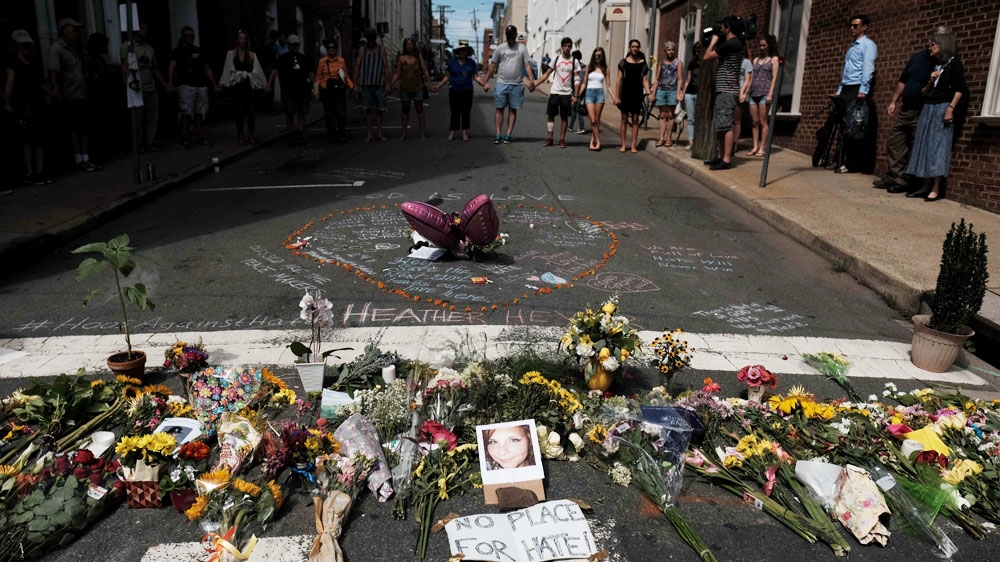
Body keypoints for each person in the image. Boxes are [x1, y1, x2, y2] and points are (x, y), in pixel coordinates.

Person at [874, 25, 948, 193]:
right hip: (906, 109)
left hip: (922, 110)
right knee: (895, 142)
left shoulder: (940, 62)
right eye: (933, 39)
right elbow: (903, 80)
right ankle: (895, 176)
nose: (932, 44)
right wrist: (894, 101)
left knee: (916, 146)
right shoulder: (917, 57)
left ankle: (908, 181)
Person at [904, 32, 966, 203]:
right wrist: (930, 81)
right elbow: (924, 92)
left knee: (938, 147)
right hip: (928, 107)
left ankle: (935, 188)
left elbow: (960, 89)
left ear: (942, 44)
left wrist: (950, 109)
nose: (929, 48)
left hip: (942, 107)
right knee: (924, 144)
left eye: (932, 44)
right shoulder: (937, 66)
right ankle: (924, 185)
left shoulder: (954, 64)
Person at [48, 18, 97, 171]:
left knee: (84, 126)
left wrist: (87, 64)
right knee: (75, 127)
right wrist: (56, 91)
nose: (76, 32)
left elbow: (82, 74)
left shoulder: (75, 50)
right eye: (73, 29)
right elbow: (53, 72)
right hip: (69, 94)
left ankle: (86, 157)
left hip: (81, 93)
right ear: (64, 30)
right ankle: (78, 159)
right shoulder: (56, 49)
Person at [832, 14, 877, 174]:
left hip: (856, 88)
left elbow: (868, 68)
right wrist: (839, 90)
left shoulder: (868, 45)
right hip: (846, 88)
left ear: (864, 27)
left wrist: (863, 90)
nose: (852, 28)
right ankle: (839, 160)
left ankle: (850, 163)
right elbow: (846, 70)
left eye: (855, 26)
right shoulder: (852, 46)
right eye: (850, 25)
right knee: (843, 126)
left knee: (854, 127)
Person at [5, 30, 52, 185]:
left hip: (36, 102)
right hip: (23, 104)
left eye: (27, 45)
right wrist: (7, 102)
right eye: (22, 45)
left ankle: (40, 170)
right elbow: (10, 83)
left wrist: (50, 97)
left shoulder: (32, 61)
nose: (26, 47)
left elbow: (40, 83)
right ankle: (30, 172)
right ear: (16, 46)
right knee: (28, 139)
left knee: (39, 138)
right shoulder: (13, 63)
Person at [120, 22, 171, 152]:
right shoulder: (128, 46)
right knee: (138, 117)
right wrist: (125, 82)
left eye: (146, 30)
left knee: (152, 116)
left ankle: (150, 142)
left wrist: (165, 84)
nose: (144, 32)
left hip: (150, 85)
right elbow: (124, 66)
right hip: (136, 86)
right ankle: (139, 144)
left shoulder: (149, 48)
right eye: (142, 29)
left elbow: (155, 69)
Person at [702, 17, 744, 170]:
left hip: (727, 90)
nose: (721, 30)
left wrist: (713, 40)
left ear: (728, 27)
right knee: (721, 125)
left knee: (726, 126)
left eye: (723, 27)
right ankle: (720, 156)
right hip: (723, 89)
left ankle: (726, 159)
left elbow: (707, 56)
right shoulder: (733, 43)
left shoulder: (732, 43)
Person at [482, 25, 535, 144]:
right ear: (506, 35)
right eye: (508, 35)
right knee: (499, 109)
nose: (510, 37)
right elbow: (492, 65)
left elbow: (527, 65)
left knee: (513, 110)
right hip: (502, 83)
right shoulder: (500, 48)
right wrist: (485, 81)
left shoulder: (522, 48)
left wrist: (531, 81)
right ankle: (497, 134)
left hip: (516, 84)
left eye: (512, 35)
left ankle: (508, 134)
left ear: (515, 35)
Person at [169, 26, 218, 148]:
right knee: (186, 112)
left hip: (200, 84)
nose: (190, 38)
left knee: (199, 113)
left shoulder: (199, 51)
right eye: (187, 36)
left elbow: (207, 69)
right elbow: (172, 67)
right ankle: (185, 137)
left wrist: (214, 84)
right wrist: (170, 83)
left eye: (192, 36)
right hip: (186, 85)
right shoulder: (178, 51)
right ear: (183, 37)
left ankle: (201, 136)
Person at [431, 44, 489, 141]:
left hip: (467, 90)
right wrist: (438, 86)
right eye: (461, 50)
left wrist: (484, 84)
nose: (463, 52)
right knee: (455, 112)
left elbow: (476, 77)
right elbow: (447, 76)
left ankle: (464, 133)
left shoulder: (471, 63)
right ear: (458, 52)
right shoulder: (452, 62)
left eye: (465, 50)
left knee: (466, 111)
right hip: (454, 90)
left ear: (467, 52)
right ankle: (452, 132)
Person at [219, 30, 265, 145]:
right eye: (240, 38)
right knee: (238, 112)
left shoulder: (251, 55)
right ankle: (240, 134)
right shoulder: (231, 54)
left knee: (250, 111)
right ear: (236, 40)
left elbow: (257, 71)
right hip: (237, 87)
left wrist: (263, 85)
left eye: (244, 38)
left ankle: (251, 134)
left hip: (248, 86)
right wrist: (223, 83)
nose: (243, 40)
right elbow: (227, 70)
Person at [265, 34, 313, 143]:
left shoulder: (303, 58)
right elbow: (274, 71)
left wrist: (314, 87)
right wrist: (268, 84)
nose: (295, 47)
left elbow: (310, 73)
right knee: (290, 113)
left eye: (296, 45)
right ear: (289, 45)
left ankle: (300, 134)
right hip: (288, 90)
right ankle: (291, 134)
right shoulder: (282, 58)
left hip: (302, 89)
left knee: (301, 112)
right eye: (293, 45)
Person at [535, 37, 581, 148]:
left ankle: (562, 139)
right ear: (561, 47)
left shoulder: (574, 61)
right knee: (551, 115)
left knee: (564, 117)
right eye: (565, 46)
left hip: (567, 93)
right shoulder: (556, 59)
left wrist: (576, 95)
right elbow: (546, 74)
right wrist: (535, 84)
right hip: (555, 92)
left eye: (569, 46)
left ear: (571, 47)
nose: (567, 48)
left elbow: (577, 79)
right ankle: (550, 138)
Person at [354, 28, 392, 143]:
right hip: (366, 83)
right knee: (368, 110)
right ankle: (369, 133)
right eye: (368, 38)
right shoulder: (362, 50)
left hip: (379, 83)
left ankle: (380, 133)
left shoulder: (381, 50)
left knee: (380, 110)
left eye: (372, 38)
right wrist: (355, 82)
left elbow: (386, 67)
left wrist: (389, 83)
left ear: (375, 38)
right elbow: (358, 66)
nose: (370, 40)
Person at [390, 37, 432, 141]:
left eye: (411, 44)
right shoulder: (401, 58)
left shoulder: (418, 57)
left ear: (414, 46)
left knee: (420, 110)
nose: (409, 46)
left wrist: (430, 85)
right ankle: (403, 133)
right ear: (405, 46)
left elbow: (425, 70)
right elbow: (397, 73)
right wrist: (390, 85)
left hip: (418, 88)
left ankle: (422, 133)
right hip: (405, 88)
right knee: (405, 111)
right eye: (407, 44)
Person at [315, 39, 353, 143]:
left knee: (340, 112)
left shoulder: (341, 61)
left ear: (336, 49)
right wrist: (316, 89)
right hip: (326, 89)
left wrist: (351, 85)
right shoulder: (322, 62)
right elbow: (319, 76)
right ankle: (331, 134)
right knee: (329, 113)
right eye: (329, 48)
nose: (331, 49)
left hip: (338, 88)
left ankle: (342, 133)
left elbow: (345, 75)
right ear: (327, 49)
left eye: (333, 48)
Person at [616, 39, 651, 154]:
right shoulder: (623, 63)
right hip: (625, 92)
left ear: (639, 48)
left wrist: (649, 92)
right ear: (629, 48)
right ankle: (623, 144)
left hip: (637, 93)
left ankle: (633, 145)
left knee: (635, 119)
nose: (635, 48)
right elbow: (618, 80)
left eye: (637, 47)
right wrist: (617, 96)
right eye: (633, 46)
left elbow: (645, 80)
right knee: (624, 118)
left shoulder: (643, 63)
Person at [747, 34, 779, 157]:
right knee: (754, 121)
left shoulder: (773, 59)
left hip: (765, 93)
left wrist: (770, 94)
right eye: (760, 45)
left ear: (769, 45)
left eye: (764, 45)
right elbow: (751, 77)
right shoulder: (755, 60)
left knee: (762, 121)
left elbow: (774, 78)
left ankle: (762, 146)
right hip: (754, 93)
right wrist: (747, 91)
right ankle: (755, 146)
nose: (761, 47)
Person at [583, 47, 618, 151]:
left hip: (599, 94)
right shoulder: (589, 67)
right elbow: (584, 84)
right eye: (595, 55)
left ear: (602, 57)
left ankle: (593, 140)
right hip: (589, 93)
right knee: (592, 120)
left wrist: (614, 97)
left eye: (599, 55)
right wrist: (576, 95)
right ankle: (598, 140)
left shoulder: (605, 68)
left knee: (597, 120)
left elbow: (609, 86)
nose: (597, 57)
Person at [650, 41, 682, 147]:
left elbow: (680, 79)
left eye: (672, 49)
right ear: (665, 51)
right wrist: (653, 93)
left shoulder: (678, 63)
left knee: (670, 115)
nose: (671, 52)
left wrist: (678, 93)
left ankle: (669, 138)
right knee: (662, 115)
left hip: (672, 90)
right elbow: (657, 79)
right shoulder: (662, 63)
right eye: (668, 50)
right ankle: (661, 137)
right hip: (662, 90)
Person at [682, 42, 702, 149]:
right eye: (696, 48)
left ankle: (699, 140)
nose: (698, 50)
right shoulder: (692, 63)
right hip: (690, 93)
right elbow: (688, 79)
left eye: (699, 48)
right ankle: (691, 141)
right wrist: (683, 93)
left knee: (699, 118)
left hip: (700, 94)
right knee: (691, 119)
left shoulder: (706, 62)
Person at [734, 47, 752, 155]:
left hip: (740, 92)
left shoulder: (746, 62)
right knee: (728, 120)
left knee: (736, 120)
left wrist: (743, 93)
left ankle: (734, 144)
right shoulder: (732, 60)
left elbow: (748, 79)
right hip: (730, 91)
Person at [566, 50, 588, 134]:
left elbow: (580, 80)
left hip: (578, 91)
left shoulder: (579, 67)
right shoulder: (583, 66)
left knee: (578, 109)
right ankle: (570, 126)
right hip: (580, 90)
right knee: (574, 109)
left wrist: (577, 92)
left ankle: (582, 127)